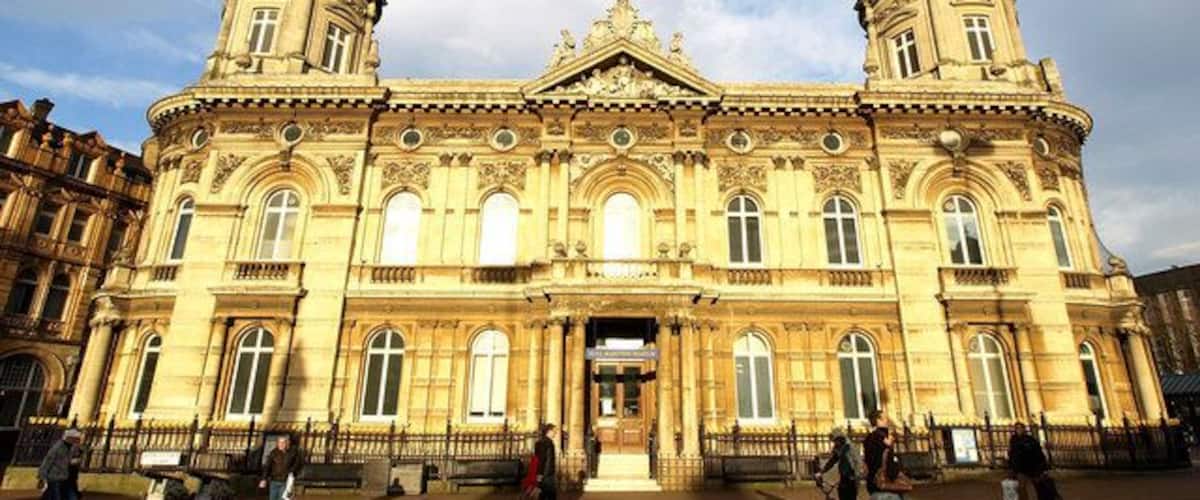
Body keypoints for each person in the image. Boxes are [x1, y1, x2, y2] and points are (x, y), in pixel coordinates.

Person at [863, 410, 909, 500]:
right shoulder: (881, 437)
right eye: (885, 418)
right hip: (886, 485)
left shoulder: (869, 437)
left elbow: (868, 460)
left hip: (873, 483)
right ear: (878, 420)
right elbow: (888, 461)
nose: (887, 421)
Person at [1007, 423, 1052, 500]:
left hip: (1032, 467)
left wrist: (1043, 467)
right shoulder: (1014, 440)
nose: (1018, 430)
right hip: (1021, 468)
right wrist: (1012, 466)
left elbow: (1038, 453)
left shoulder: (1030, 440)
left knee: (1039, 486)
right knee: (1021, 487)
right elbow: (1013, 454)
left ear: (1024, 429)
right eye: (1017, 428)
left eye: (1020, 428)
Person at [38, 428, 83, 500]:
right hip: (55, 477)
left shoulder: (71, 447)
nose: (78, 441)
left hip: (65, 477)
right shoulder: (58, 447)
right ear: (70, 438)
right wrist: (42, 476)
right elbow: (48, 461)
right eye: (76, 439)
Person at [816, 427, 860, 500]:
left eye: (835, 440)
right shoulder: (838, 447)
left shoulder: (849, 447)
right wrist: (822, 471)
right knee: (841, 494)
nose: (835, 443)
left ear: (840, 438)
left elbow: (857, 462)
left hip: (851, 477)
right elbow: (832, 461)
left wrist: (856, 475)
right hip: (843, 477)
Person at [259, 436, 302, 500]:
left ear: (287, 443)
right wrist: (263, 479)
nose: (281, 444)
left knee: (282, 498)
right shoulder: (273, 452)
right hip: (274, 481)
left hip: (285, 482)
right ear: (277, 443)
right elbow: (267, 466)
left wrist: (291, 472)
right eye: (279, 442)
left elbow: (298, 464)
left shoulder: (292, 453)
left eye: (283, 442)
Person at [534, 424, 558, 500]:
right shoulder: (544, 443)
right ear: (549, 431)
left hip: (548, 473)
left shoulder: (547, 442)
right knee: (548, 495)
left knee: (544, 495)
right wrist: (539, 474)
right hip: (546, 474)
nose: (556, 433)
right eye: (554, 431)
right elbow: (541, 459)